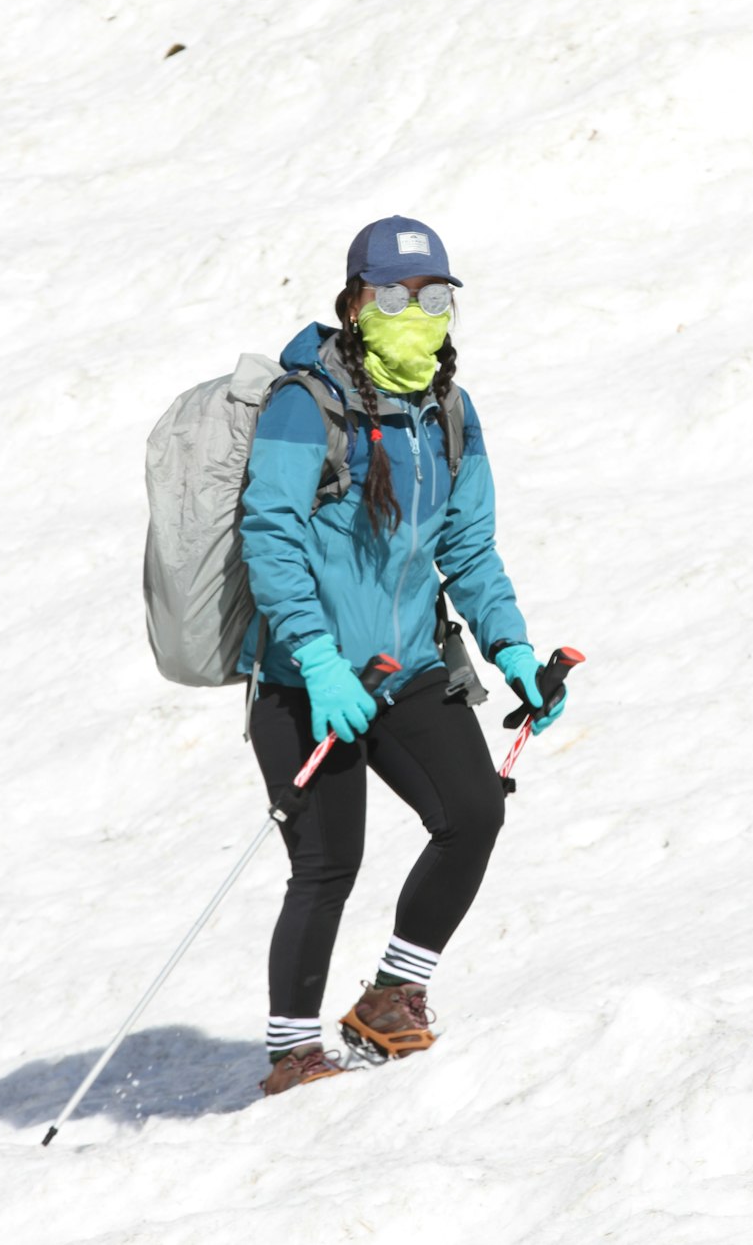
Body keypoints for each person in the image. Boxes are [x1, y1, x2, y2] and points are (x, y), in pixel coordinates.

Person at [239, 215, 565, 1094]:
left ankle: (392, 995)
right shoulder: (304, 406)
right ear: (354, 304)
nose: (413, 311)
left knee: (473, 813)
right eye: (392, 295)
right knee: (326, 866)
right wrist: (312, 656)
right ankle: (292, 1056)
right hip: (308, 682)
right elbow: (268, 535)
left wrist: (514, 648)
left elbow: (469, 547)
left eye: (432, 296)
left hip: (410, 669)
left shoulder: (450, 412)